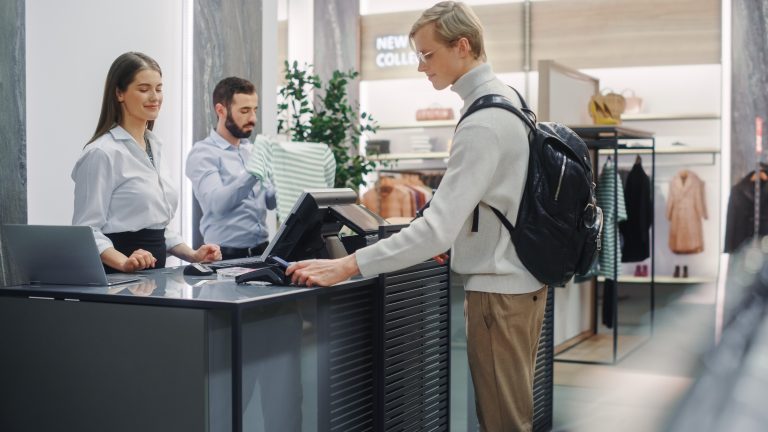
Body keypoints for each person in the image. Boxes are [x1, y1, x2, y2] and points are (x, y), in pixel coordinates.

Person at [286, 2, 547, 431]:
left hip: (499, 295)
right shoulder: (509, 100)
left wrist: (349, 265)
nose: (421, 67)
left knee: (503, 422)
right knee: (511, 415)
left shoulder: (482, 122)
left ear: (462, 46)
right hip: (522, 283)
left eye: (427, 54)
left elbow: (437, 230)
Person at [72, 52, 221, 273]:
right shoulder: (101, 153)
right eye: (144, 89)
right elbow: (86, 231)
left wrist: (192, 254)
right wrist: (124, 262)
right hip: (116, 280)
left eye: (159, 89)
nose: (155, 97)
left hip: (153, 278)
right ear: (119, 93)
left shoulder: (155, 147)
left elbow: (156, 225)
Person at [185, 77, 276, 260]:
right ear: (221, 110)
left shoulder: (252, 150)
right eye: (244, 111)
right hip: (224, 256)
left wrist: (287, 182)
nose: (253, 118)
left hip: (262, 252)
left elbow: (270, 202)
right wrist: (253, 172)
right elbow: (217, 204)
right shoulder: (203, 153)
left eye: (254, 110)